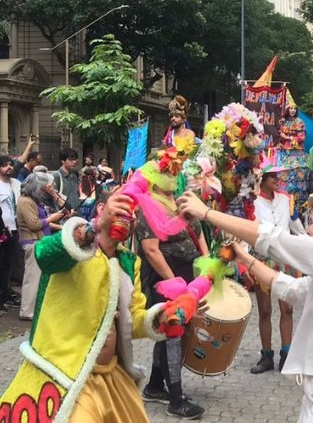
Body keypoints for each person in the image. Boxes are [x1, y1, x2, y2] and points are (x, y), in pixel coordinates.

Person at [176, 186, 313, 422]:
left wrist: (206, 213)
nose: (307, 230)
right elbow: (290, 288)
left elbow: (274, 239)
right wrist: (245, 259)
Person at [0, 188, 187, 422]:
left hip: (110, 378)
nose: (130, 218)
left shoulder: (129, 262)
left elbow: (133, 319)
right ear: (102, 209)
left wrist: (161, 318)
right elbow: (43, 254)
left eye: (134, 214)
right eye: (122, 208)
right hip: (66, 375)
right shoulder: (74, 247)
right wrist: (91, 230)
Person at [136, 160, 208, 419]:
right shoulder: (148, 206)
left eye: (173, 171)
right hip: (165, 280)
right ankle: (176, 400)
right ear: (153, 177)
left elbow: (198, 234)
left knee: (169, 335)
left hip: (186, 276)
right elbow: (151, 250)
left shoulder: (180, 202)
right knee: (173, 332)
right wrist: (175, 284)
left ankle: (155, 387)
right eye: (166, 172)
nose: (171, 176)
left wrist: (207, 269)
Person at [249, 165, 306, 375]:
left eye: (278, 176)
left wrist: (311, 249)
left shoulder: (286, 200)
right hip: (262, 259)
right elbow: (248, 232)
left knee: (287, 309)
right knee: (264, 310)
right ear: (261, 179)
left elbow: (297, 228)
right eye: (272, 176)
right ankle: (266, 356)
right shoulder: (253, 204)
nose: (277, 179)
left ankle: (287, 354)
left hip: (285, 258)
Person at [16, 172, 69, 320]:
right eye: (42, 188)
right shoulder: (25, 201)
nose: (43, 190)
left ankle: (33, 309)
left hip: (38, 241)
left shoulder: (32, 200)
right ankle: (27, 311)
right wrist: (51, 218)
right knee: (32, 278)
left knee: (38, 277)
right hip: (31, 242)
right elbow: (34, 224)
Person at [0, 155, 22, 310]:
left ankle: (5, 293)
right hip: (2, 230)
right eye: (5, 165)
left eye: (10, 164)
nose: (9, 167)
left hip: (13, 229)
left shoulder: (14, 184)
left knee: (8, 264)